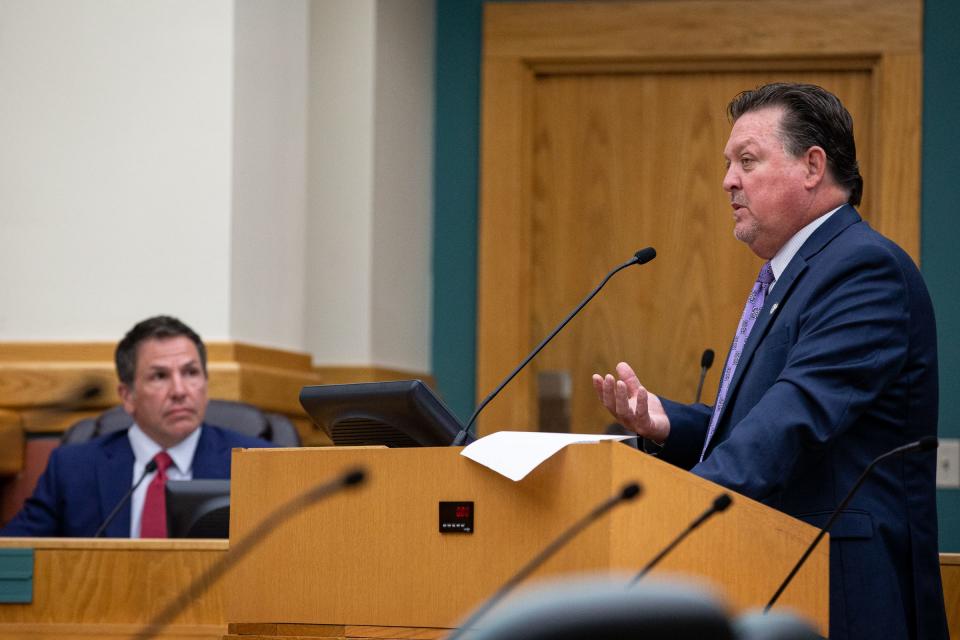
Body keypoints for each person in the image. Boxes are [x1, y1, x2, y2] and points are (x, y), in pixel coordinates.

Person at [593, 83, 947, 640]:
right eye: (728, 164)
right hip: (777, 576)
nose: (728, 180)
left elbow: (791, 421)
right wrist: (669, 423)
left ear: (812, 166)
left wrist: (663, 517)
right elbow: (757, 421)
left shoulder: (862, 270)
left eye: (747, 161)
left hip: (842, 592)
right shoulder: (795, 274)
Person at [1, 315, 271, 538]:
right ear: (128, 396)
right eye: (159, 376)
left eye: (191, 373)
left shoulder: (258, 464)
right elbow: (14, 557)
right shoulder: (72, 469)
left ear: (206, 384)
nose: (180, 390)